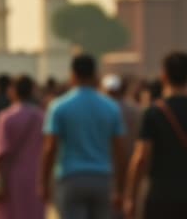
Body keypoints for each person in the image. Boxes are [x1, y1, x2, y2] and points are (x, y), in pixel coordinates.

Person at [41, 54, 127, 219]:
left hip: (71, 177)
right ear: (95, 74)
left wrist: (43, 182)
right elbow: (119, 151)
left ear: (72, 74)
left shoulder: (59, 107)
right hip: (102, 177)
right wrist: (120, 188)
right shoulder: (111, 107)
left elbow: (50, 147)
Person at [124, 52, 187, 219]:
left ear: (164, 76)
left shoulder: (154, 113)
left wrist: (130, 197)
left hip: (161, 196)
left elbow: (141, 158)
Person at [0, 75, 45, 219]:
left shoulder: (6, 117)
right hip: (35, 175)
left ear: (13, 91)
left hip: (11, 177)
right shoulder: (41, 117)